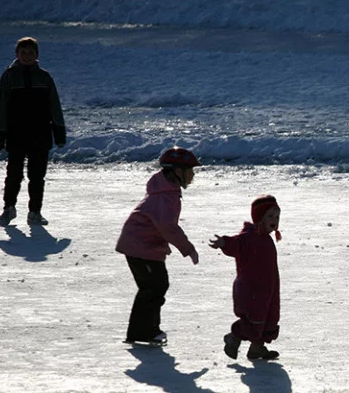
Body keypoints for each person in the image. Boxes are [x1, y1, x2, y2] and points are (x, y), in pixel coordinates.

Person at [116, 147, 201, 346]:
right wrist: (187, 248)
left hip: (146, 247)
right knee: (153, 287)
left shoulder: (167, 192)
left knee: (155, 286)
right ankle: (142, 331)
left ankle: (147, 330)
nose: (193, 175)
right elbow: (167, 227)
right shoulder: (166, 196)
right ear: (176, 172)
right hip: (140, 247)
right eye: (190, 170)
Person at [0, 37, 67, 226]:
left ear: (37, 55)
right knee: (14, 174)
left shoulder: (45, 77)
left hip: (40, 134)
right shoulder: (9, 76)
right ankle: (9, 208)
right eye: (23, 52)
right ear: (17, 54)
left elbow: (55, 106)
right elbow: (1, 107)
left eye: (31, 53)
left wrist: (59, 133)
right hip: (16, 134)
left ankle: (35, 212)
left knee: (37, 176)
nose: (27, 56)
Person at [209, 195, 282, 361]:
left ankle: (257, 348)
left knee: (269, 317)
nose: (274, 220)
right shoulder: (249, 237)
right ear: (259, 218)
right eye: (270, 216)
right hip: (251, 289)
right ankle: (233, 337)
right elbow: (236, 244)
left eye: (277, 217)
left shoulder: (267, 240)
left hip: (268, 289)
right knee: (253, 319)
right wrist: (224, 243)